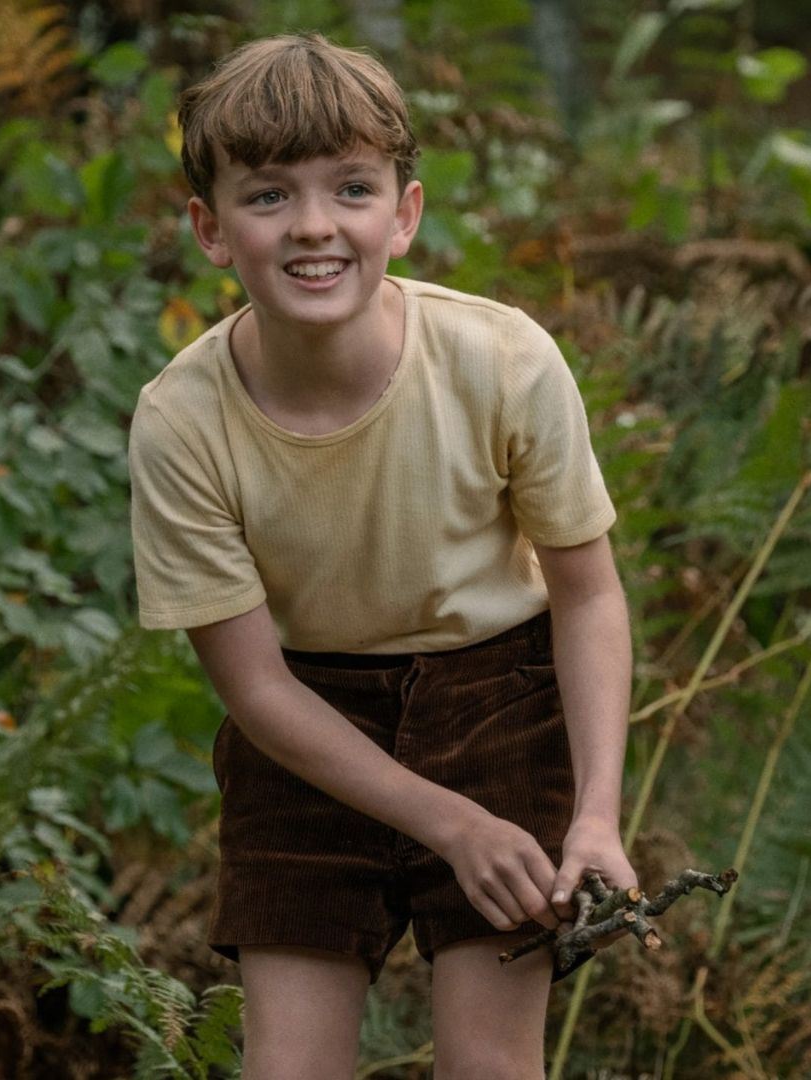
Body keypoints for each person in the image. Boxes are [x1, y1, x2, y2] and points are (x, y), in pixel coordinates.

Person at [127, 32, 637, 1080]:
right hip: (306, 729)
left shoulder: (503, 360)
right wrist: (447, 823)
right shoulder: (182, 420)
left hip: (503, 697)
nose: (315, 226)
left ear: (402, 213)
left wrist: (595, 815)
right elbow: (255, 688)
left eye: (351, 188)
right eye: (268, 196)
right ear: (209, 227)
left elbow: (586, 595)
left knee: (490, 1065)